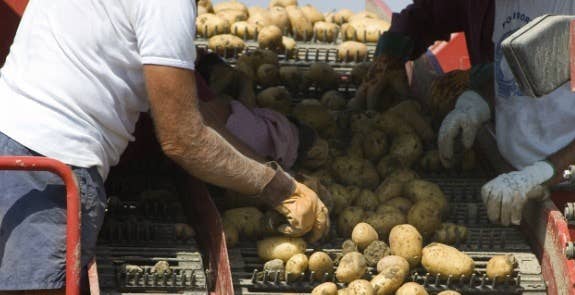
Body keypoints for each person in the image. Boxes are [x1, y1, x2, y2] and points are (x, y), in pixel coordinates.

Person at [0, 0, 329, 292]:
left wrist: (275, 178)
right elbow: (183, 139)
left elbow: (192, 116)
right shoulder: (167, 5)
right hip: (49, 170)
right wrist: (282, 191)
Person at [359, 0, 575, 226]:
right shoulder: (502, 3)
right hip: (518, 188)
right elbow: (514, 82)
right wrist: (476, 104)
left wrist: (543, 173)